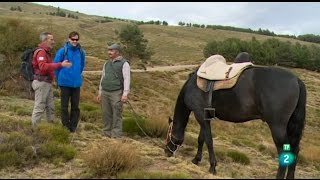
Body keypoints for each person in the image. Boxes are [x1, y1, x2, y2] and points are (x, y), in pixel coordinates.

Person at [31, 32, 72, 128]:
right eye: (51, 39)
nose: (53, 42)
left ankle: (51, 129)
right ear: (45, 41)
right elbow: (43, 67)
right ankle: (34, 130)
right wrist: (60, 64)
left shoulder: (46, 52)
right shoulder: (41, 52)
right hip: (41, 83)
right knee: (39, 107)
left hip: (46, 83)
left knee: (50, 107)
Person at [54, 31, 86, 133]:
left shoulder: (81, 52)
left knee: (75, 106)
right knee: (64, 106)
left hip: (76, 83)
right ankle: (65, 126)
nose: (75, 41)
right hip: (64, 83)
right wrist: (59, 78)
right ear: (69, 39)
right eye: (73, 39)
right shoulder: (62, 51)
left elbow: (81, 66)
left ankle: (73, 127)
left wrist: (76, 75)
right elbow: (56, 66)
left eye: (77, 39)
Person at [96, 43, 130, 138]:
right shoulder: (106, 63)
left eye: (111, 50)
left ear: (117, 52)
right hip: (105, 92)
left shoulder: (124, 63)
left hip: (117, 92)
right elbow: (103, 77)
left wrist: (125, 94)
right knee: (106, 113)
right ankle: (106, 132)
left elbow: (127, 79)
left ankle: (116, 135)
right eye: (108, 50)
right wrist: (100, 92)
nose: (109, 52)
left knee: (117, 114)